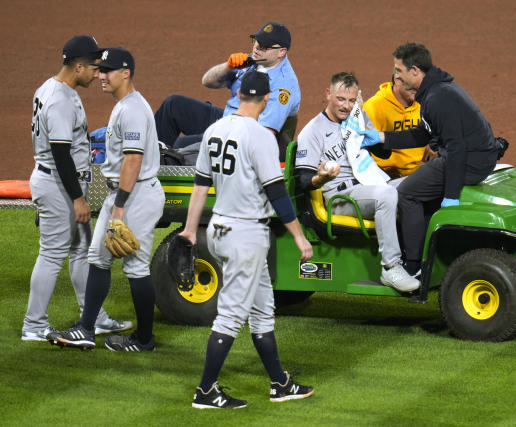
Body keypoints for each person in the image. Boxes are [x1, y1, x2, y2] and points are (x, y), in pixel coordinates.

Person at [179, 70, 314, 409]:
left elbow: (200, 184)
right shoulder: (260, 136)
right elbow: (277, 192)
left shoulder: (214, 130)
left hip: (219, 230)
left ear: (239, 94)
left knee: (263, 310)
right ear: (267, 99)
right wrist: (299, 238)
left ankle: (279, 384)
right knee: (230, 316)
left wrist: (190, 229)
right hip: (246, 236)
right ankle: (206, 391)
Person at [48, 47, 165, 351]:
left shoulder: (133, 109)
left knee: (136, 267)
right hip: (125, 193)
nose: (101, 76)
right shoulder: (124, 105)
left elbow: (133, 161)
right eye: (100, 70)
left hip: (135, 194)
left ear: (126, 73)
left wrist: (120, 208)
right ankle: (86, 328)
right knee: (98, 258)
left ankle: (144, 339)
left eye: (107, 71)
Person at [359, 42, 504, 276]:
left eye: (399, 70)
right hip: (474, 157)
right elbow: (421, 134)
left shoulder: (437, 98)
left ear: (415, 71)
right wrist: (382, 137)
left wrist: (451, 195)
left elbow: (456, 148)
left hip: (469, 162)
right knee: (422, 193)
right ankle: (426, 257)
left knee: (407, 193)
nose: (396, 76)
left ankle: (413, 265)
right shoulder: (436, 90)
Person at [23, 35, 132, 342]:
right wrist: (77, 199)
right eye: (94, 67)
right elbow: (60, 154)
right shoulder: (58, 99)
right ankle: (33, 325)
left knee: (81, 252)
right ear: (79, 66)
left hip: (58, 182)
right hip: (57, 183)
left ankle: (93, 318)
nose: (98, 73)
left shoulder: (53, 88)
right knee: (52, 254)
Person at [295, 72, 420, 293]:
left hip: (368, 186)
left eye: (351, 100)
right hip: (340, 198)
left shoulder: (357, 118)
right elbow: (303, 180)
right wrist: (321, 178)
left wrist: (364, 123)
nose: (345, 106)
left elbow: (383, 152)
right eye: (340, 99)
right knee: (387, 196)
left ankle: (418, 259)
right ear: (328, 95)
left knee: (418, 183)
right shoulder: (312, 131)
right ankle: (391, 267)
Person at [154, 22, 300, 156]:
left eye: (265, 46)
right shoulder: (254, 60)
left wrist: (221, 135)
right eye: (256, 41)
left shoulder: (284, 86)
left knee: (181, 145)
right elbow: (208, 81)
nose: (257, 47)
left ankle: (161, 166)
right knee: (173, 105)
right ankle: (151, 159)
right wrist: (228, 66)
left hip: (242, 139)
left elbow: (262, 135)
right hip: (228, 120)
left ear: (281, 52)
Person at [362, 74, 436, 177]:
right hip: (383, 175)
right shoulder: (373, 107)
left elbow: (426, 145)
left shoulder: (424, 105)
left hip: (416, 173)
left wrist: (431, 154)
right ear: (397, 80)